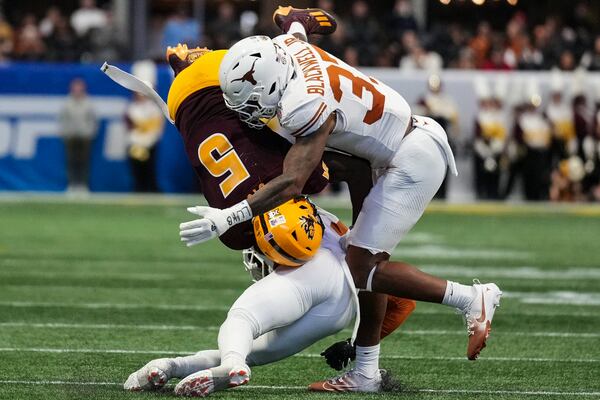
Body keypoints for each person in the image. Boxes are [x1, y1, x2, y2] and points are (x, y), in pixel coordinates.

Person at [179, 6, 501, 392]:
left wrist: (229, 216)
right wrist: (298, 20)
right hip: (390, 149)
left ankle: (471, 298)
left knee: (362, 268)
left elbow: (291, 184)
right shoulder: (285, 49)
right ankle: (366, 373)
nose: (250, 114)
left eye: (251, 102)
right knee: (363, 260)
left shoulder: (304, 105)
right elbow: (298, 30)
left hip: (407, 157)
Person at [59, 78, 97, 190]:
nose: (77, 90)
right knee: (71, 162)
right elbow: (63, 119)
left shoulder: (88, 103)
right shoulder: (67, 103)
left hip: (85, 137)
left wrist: (89, 133)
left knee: (84, 162)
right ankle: (71, 184)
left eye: (79, 88)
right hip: (70, 137)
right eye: (75, 88)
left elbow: (93, 120)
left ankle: (83, 185)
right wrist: (65, 133)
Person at [125, 92, 164, 192]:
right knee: (137, 169)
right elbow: (130, 128)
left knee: (149, 169)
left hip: (150, 144)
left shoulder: (154, 109)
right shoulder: (131, 108)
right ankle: (138, 189)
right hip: (135, 144)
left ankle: (151, 189)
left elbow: (156, 128)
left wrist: (150, 141)